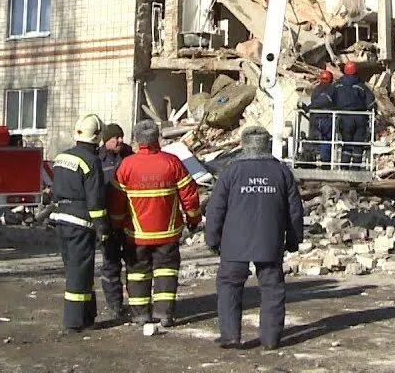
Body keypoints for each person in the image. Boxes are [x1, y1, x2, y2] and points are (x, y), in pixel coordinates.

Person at [205, 126, 304, 350]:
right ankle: (270, 339)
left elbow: (216, 209)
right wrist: (294, 239)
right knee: (272, 289)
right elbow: (294, 210)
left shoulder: (230, 172)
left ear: (243, 145)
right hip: (270, 241)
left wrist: (212, 239)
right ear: (267, 144)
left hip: (234, 244)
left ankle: (230, 336)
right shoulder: (281, 172)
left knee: (229, 286)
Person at [113, 120, 201, 328]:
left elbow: (116, 201)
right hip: (167, 232)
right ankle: (164, 314)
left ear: (136, 140)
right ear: (157, 138)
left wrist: (115, 224)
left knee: (137, 272)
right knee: (166, 271)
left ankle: (140, 314)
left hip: (137, 234)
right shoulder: (172, 162)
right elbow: (189, 195)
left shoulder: (127, 165)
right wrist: (193, 219)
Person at [50, 114, 109, 333]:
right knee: (78, 273)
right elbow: (95, 200)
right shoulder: (91, 161)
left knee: (78, 270)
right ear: (99, 137)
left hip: (61, 220)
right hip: (80, 223)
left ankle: (87, 316)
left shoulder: (62, 157)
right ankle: (74, 322)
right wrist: (102, 227)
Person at [98, 123, 134, 322]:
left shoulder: (130, 156)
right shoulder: (98, 159)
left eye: (121, 137)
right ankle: (115, 306)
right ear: (106, 140)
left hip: (130, 220)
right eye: (115, 138)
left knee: (134, 263)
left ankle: (137, 303)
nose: (120, 140)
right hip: (109, 222)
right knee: (111, 265)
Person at [332, 62, 373, 166]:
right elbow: (371, 102)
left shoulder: (337, 86)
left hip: (344, 117)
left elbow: (331, 100)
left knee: (347, 143)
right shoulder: (361, 86)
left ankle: (344, 167)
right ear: (356, 71)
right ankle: (356, 167)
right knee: (358, 144)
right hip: (359, 118)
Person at [307, 70, 336, 165]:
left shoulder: (316, 89)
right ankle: (325, 162)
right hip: (326, 118)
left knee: (315, 139)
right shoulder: (332, 89)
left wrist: (309, 107)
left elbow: (315, 101)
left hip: (315, 118)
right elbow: (326, 100)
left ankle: (312, 160)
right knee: (326, 140)